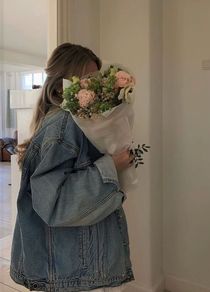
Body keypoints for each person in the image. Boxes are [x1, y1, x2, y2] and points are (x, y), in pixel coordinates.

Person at [9, 43, 135, 292]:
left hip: (70, 260)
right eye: (87, 78)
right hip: (73, 263)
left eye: (96, 79)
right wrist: (113, 164)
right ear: (64, 81)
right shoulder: (65, 123)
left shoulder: (71, 120)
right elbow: (54, 202)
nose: (94, 86)